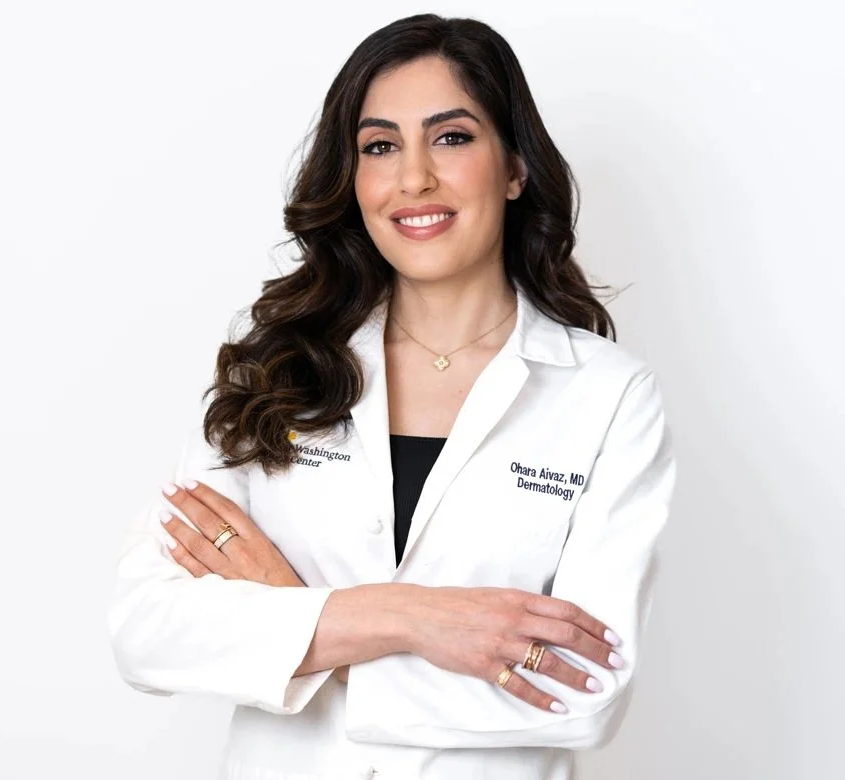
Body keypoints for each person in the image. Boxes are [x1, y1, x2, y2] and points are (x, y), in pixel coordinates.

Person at [107, 12, 678, 780]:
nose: (414, 179)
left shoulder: (608, 397)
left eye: (452, 138)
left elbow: (582, 693)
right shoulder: (275, 369)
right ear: (353, 179)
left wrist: (291, 615)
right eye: (380, 146)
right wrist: (412, 619)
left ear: (515, 169)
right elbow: (148, 628)